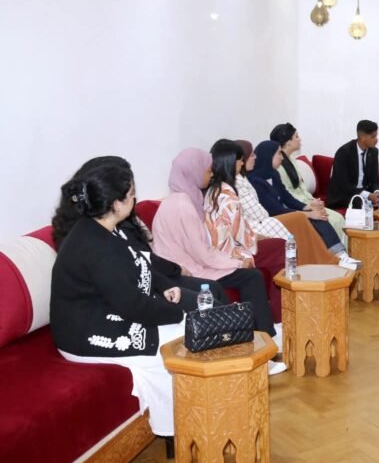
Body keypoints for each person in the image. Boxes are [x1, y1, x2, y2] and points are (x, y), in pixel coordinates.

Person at [50, 162, 186, 436]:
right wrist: (179, 313)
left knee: (186, 332)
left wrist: (163, 287)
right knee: (183, 340)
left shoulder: (104, 228)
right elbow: (133, 306)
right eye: (132, 193)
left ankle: (181, 422)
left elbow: (138, 264)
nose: (135, 198)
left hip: (105, 313)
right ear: (115, 204)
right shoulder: (97, 245)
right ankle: (179, 426)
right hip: (85, 333)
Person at [150, 148, 285, 374]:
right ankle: (261, 344)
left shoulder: (180, 199)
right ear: (193, 172)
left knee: (249, 275)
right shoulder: (183, 205)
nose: (212, 174)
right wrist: (236, 262)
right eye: (208, 170)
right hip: (187, 270)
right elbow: (203, 253)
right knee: (250, 277)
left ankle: (263, 340)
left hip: (190, 264)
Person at [52, 155, 227, 307]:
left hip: (151, 279)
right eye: (128, 191)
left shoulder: (107, 220)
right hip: (140, 289)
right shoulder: (98, 228)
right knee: (211, 296)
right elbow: (138, 265)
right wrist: (175, 270)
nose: (132, 196)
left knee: (214, 291)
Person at [234, 140, 347, 267]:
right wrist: (308, 214)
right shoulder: (254, 180)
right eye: (279, 154)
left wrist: (308, 206)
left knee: (318, 217)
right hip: (272, 217)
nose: (282, 158)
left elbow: (286, 197)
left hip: (273, 216)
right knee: (308, 218)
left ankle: (339, 254)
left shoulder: (273, 174)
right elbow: (274, 210)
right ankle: (329, 259)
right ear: (268, 156)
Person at [269, 122, 349, 243]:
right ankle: (337, 253)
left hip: (306, 203)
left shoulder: (291, 159)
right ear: (288, 142)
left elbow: (301, 188)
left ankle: (342, 252)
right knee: (336, 220)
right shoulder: (278, 166)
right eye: (296, 136)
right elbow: (286, 195)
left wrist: (313, 201)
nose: (300, 139)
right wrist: (308, 206)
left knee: (338, 218)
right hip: (296, 207)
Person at [327, 119, 379, 209]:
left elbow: (375, 179)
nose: (376, 140)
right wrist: (368, 195)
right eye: (373, 136)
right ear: (362, 137)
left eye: (376, 136)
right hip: (345, 194)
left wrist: (377, 192)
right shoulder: (344, 152)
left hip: (365, 192)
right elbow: (344, 185)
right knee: (360, 202)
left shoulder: (374, 152)